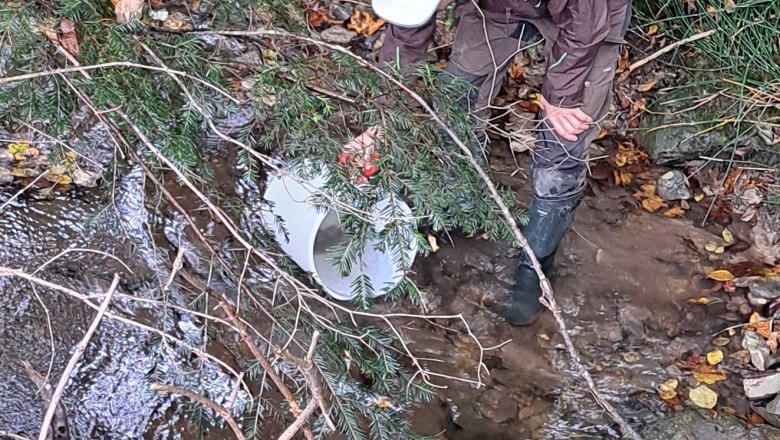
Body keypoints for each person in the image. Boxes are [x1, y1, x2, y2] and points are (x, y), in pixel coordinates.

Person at [371, 0, 632, 326]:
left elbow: (587, 21)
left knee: (561, 146)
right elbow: (407, 37)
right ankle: (460, 206)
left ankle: (536, 265)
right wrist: (382, 118)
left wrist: (561, 95)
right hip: (495, 9)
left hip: (589, 15)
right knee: (457, 98)